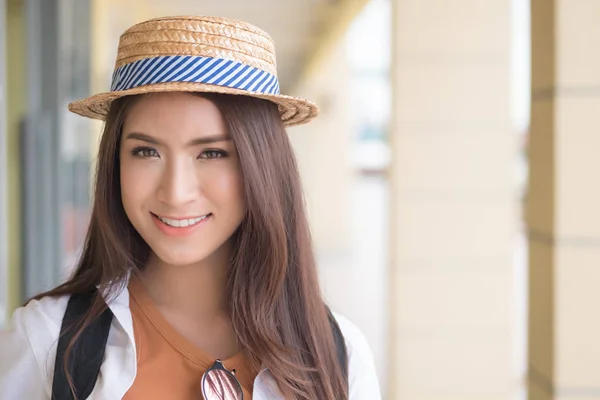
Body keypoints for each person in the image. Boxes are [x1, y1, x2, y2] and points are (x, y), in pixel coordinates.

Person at [0, 15, 381, 400]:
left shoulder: (338, 354)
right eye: (146, 151)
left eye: (212, 153)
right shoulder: (46, 341)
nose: (176, 192)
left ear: (262, 166)